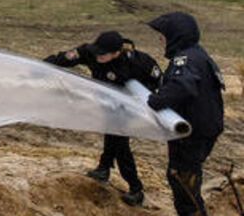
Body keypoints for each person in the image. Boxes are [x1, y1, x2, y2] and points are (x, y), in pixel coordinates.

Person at [44, 30, 161, 205]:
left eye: (103, 54)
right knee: (111, 133)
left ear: (116, 53)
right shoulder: (90, 52)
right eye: (97, 52)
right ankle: (104, 168)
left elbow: (157, 81)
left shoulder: (137, 62)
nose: (98, 56)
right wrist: (40, 67)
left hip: (127, 107)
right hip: (107, 103)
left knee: (120, 145)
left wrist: (140, 102)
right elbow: (64, 59)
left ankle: (136, 189)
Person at [146, 13, 225, 216]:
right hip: (201, 129)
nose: (160, 39)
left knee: (186, 186)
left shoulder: (186, 59)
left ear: (175, 36)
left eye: (163, 35)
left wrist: (156, 100)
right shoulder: (197, 54)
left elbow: (182, 86)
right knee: (180, 178)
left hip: (192, 133)